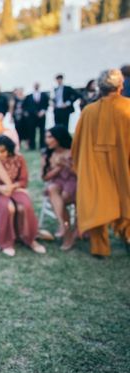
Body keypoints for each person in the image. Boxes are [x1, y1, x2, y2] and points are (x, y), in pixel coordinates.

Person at [72, 68, 130, 257]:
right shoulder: (128, 107)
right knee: (125, 198)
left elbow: (77, 143)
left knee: (97, 200)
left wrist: (81, 165)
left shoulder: (88, 111)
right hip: (123, 165)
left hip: (95, 167)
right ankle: (128, 237)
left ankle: (100, 248)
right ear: (120, 86)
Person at [0, 135, 46, 257]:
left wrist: (12, 186)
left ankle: (29, 238)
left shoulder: (19, 159)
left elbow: (24, 181)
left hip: (15, 189)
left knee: (25, 206)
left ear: (9, 149)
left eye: (2, 151)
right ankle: (6, 242)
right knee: (9, 208)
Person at [40, 126, 76, 248]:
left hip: (73, 183)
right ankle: (66, 229)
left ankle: (66, 228)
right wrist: (58, 168)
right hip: (57, 182)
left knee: (63, 197)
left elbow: (81, 174)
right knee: (52, 189)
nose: (47, 140)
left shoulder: (72, 151)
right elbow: (45, 178)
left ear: (59, 138)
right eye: (46, 137)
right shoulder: (47, 154)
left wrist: (68, 165)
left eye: (50, 137)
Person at [23, 82, 49, 150]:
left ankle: (42, 145)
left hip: (42, 116)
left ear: (39, 86)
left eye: (37, 85)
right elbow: (25, 106)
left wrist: (43, 111)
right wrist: (32, 112)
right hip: (32, 117)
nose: (36, 86)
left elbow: (47, 104)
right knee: (32, 131)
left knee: (42, 131)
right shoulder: (29, 96)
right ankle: (32, 146)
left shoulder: (44, 95)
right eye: (35, 85)